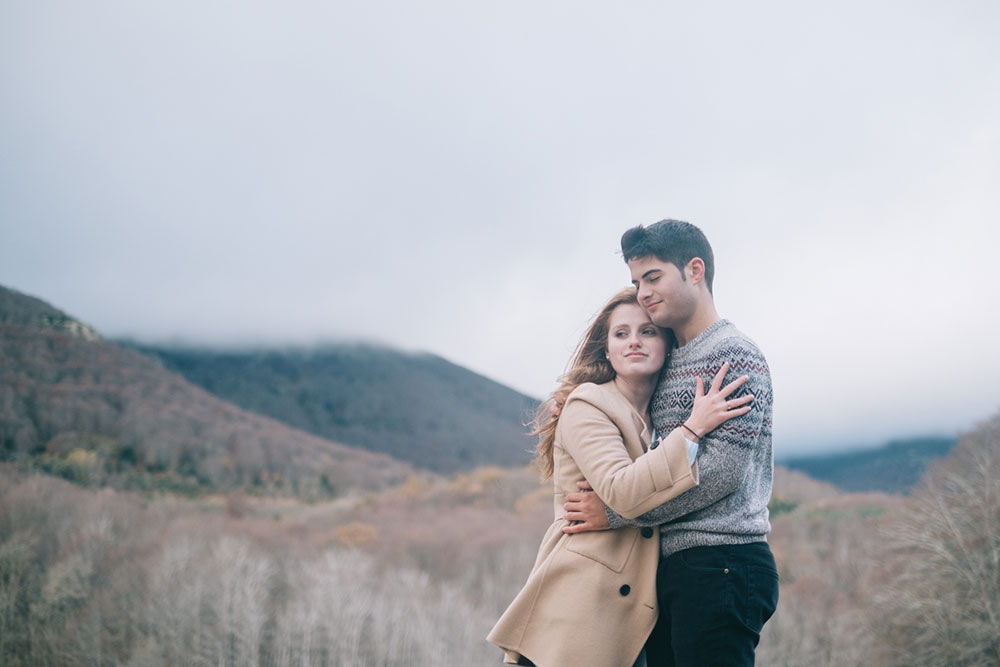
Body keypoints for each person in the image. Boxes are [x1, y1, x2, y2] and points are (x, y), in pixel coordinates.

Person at [487, 286, 754, 667]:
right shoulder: (587, 404)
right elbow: (621, 490)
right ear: (607, 349)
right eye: (621, 334)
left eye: (647, 332)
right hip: (581, 606)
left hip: (634, 614)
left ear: (666, 344)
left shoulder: (657, 418)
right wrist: (694, 429)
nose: (634, 342)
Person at [563, 220, 779, 666]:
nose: (643, 292)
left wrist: (617, 512)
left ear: (694, 270)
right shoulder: (670, 358)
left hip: (723, 560)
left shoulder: (733, 354)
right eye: (636, 282)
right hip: (672, 567)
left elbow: (720, 474)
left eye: (653, 277)